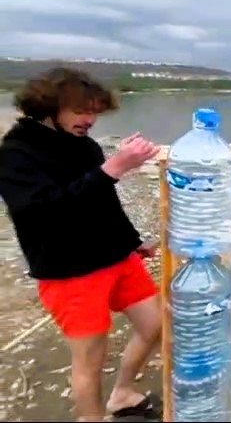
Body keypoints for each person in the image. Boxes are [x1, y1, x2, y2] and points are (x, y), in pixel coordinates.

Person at [0, 67, 163, 422]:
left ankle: (121, 395)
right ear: (48, 106)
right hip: (69, 271)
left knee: (156, 324)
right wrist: (113, 169)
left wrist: (131, 243)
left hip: (115, 257)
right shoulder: (16, 154)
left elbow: (102, 202)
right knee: (90, 360)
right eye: (81, 110)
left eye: (94, 111)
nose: (90, 120)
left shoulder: (84, 146)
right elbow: (41, 213)